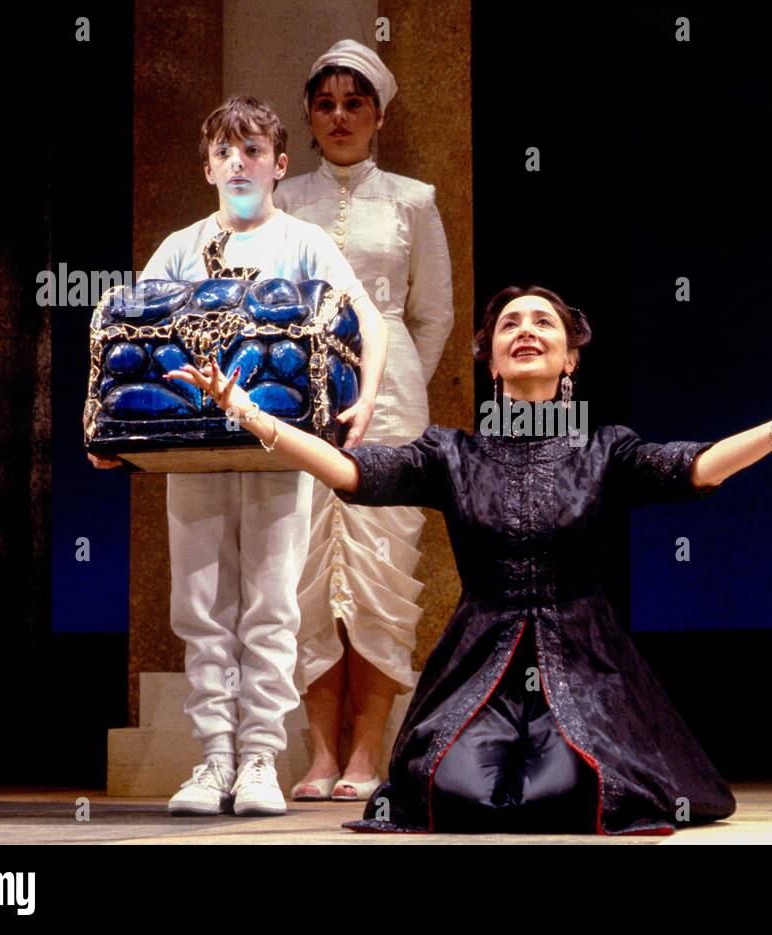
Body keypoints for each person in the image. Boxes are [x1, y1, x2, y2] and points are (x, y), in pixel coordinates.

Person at [168, 284, 772, 834]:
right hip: (481, 659)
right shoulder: (450, 452)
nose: (525, 330)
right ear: (492, 359)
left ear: (570, 360)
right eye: (509, 325)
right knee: (454, 788)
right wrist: (256, 418)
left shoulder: (605, 450)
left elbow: (698, 467)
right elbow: (351, 471)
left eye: (544, 324)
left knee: (580, 786)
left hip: (585, 661)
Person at [90, 95, 388, 816]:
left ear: (280, 164)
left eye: (253, 151)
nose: (238, 163)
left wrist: (366, 398)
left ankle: (258, 756)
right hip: (191, 451)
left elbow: (364, 316)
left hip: (274, 449)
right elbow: (119, 330)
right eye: (225, 152)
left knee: (271, 600)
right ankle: (212, 757)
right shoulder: (181, 246)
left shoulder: (303, 242)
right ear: (207, 167)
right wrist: (101, 423)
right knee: (198, 603)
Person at [272, 39, 455, 803]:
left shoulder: (414, 198)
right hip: (297, 396)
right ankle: (319, 753)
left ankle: (368, 750)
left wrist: (397, 381)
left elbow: (433, 314)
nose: (340, 115)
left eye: (355, 102)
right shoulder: (285, 203)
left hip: (391, 401)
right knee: (307, 571)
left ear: (379, 114)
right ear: (309, 121)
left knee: (380, 568)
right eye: (326, 103)